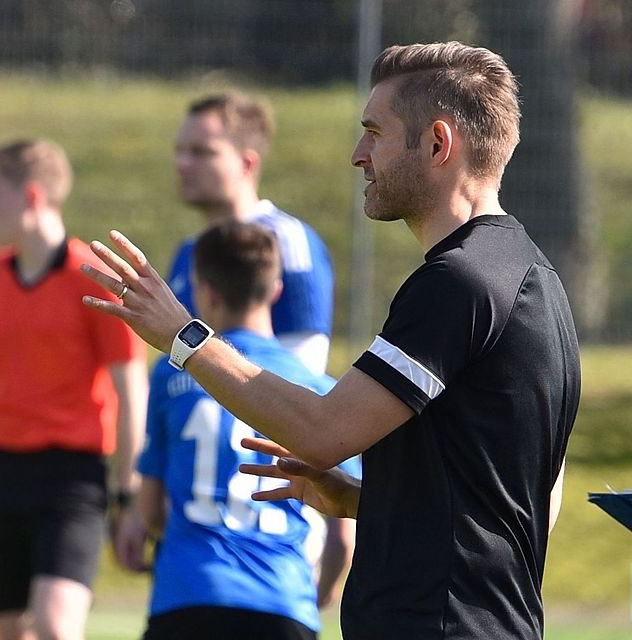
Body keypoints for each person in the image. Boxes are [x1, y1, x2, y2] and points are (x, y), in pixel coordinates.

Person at [81, 41, 580, 640]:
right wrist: (359, 500)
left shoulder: (458, 284)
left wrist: (182, 337)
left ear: (437, 144)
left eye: (374, 132)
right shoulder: (536, 280)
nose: (358, 155)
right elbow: (528, 507)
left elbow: (322, 432)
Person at [0, 139, 148, 640]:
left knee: (55, 625)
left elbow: (131, 390)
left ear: (31, 195)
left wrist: (129, 493)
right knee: (11, 630)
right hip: (2, 473)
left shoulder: (93, 277)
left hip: (72, 478)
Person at [114, 221, 358, 640]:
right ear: (276, 290)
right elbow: (342, 533)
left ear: (205, 291)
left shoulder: (172, 373)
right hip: (282, 600)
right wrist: (323, 590)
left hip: (188, 595)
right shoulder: (316, 390)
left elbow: (150, 506)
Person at [168, 93, 334, 375]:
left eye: (202, 152)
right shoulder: (189, 250)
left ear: (247, 163)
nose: (183, 163)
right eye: (180, 151)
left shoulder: (287, 241)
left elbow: (304, 374)